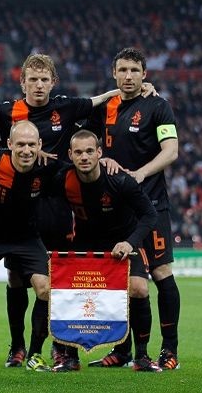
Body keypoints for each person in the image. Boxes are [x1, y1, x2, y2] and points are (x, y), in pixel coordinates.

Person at [0, 53, 155, 368]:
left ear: (53, 82)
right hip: (24, 205)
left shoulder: (65, 108)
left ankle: (57, 348)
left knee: (59, 283)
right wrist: (6, 149)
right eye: (32, 79)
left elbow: (98, 101)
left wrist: (135, 88)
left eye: (43, 79)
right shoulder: (8, 111)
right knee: (16, 278)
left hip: (60, 204)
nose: (38, 85)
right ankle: (17, 347)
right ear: (22, 83)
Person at [85, 47, 180, 370]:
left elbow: (171, 151)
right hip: (116, 211)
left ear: (144, 74)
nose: (128, 76)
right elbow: (83, 130)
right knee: (123, 280)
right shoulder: (106, 107)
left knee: (161, 273)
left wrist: (141, 173)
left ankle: (169, 350)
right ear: (114, 73)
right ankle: (123, 350)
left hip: (151, 204)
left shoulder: (158, 106)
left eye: (134, 71)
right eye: (123, 70)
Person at [51, 129, 159, 372]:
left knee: (139, 289)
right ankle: (69, 356)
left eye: (90, 151)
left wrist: (130, 242)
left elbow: (149, 215)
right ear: (70, 155)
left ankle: (142, 356)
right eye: (78, 152)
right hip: (86, 243)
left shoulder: (119, 180)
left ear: (99, 153)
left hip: (123, 242)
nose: (84, 157)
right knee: (73, 292)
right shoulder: (62, 179)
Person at [0, 121, 63, 372]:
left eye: (31, 145)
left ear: (40, 145)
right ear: (9, 144)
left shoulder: (47, 166)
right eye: (20, 144)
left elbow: (82, 168)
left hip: (26, 236)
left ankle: (35, 354)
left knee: (46, 289)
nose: (26, 150)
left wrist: (106, 162)